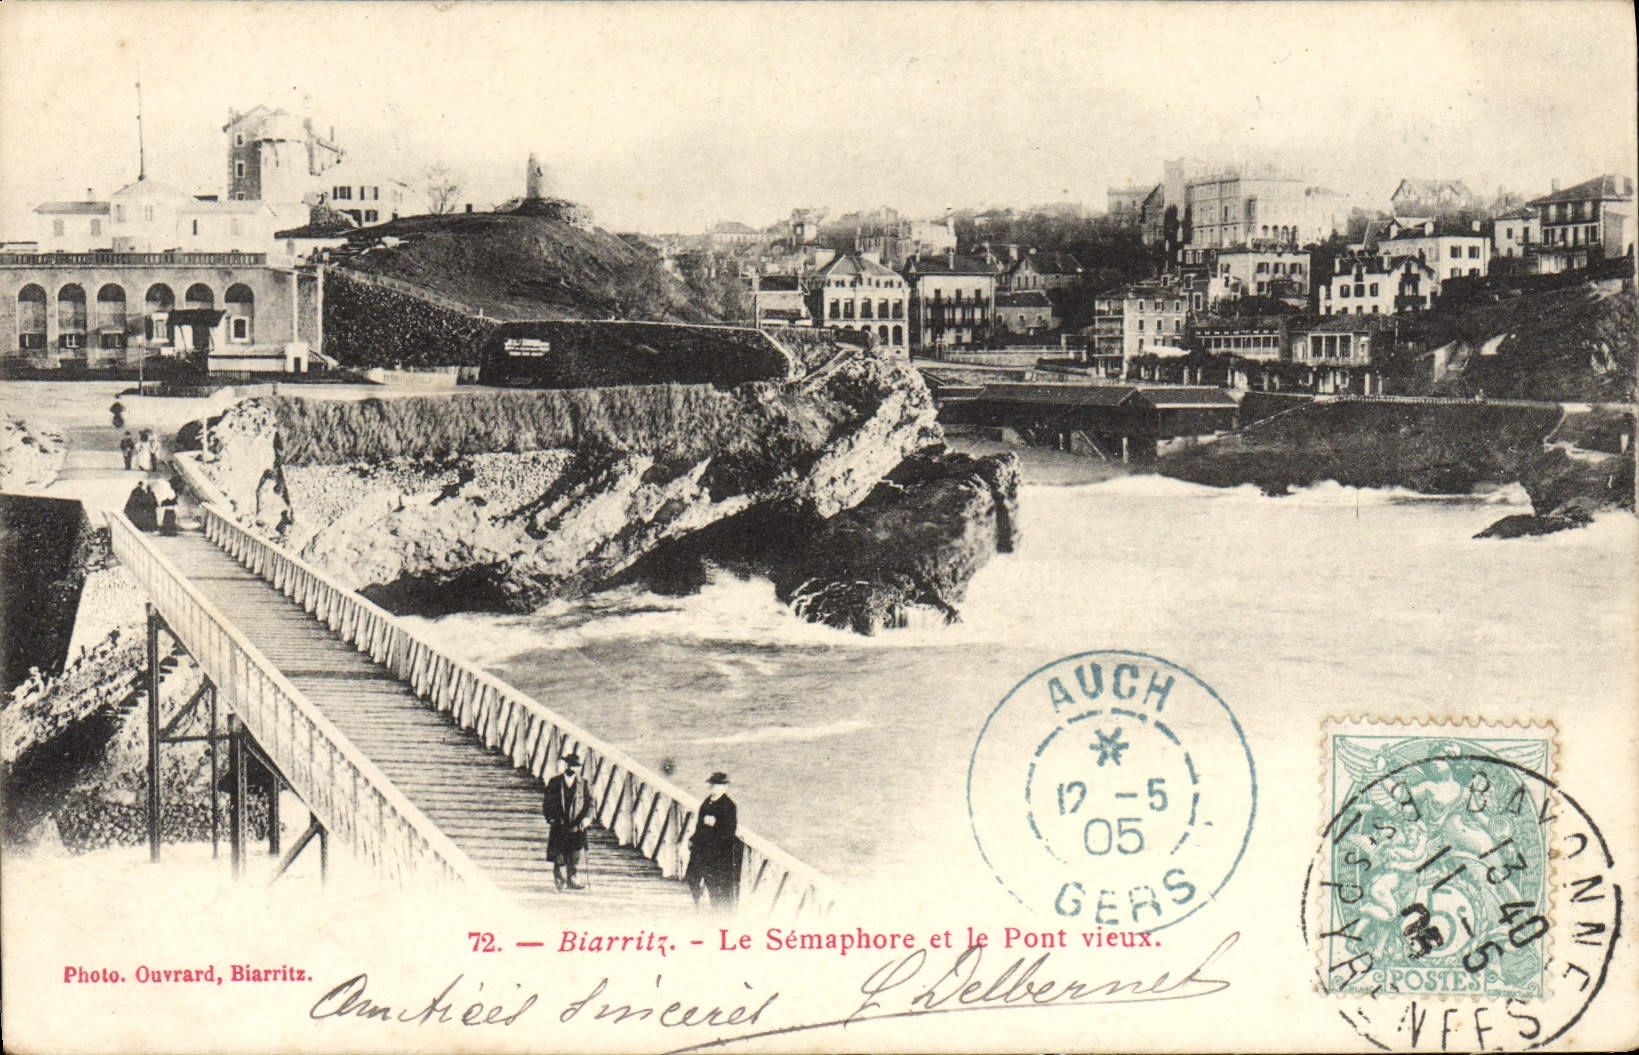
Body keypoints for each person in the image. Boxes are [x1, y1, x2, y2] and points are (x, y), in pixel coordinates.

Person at [685, 772, 740, 910]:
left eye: (719, 785)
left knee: (715, 885)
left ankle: (718, 915)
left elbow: (729, 831)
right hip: (700, 848)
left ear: (725, 787)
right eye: (713, 784)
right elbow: (699, 825)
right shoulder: (707, 802)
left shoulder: (728, 805)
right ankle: (696, 905)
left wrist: (715, 825)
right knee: (692, 876)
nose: (714, 788)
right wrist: (693, 838)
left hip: (716, 853)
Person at [542, 754, 591, 891]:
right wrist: (550, 817)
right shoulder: (555, 782)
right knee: (559, 852)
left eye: (575, 766)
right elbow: (547, 802)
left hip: (577, 823)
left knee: (575, 851)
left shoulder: (583, 784)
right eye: (570, 765)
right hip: (559, 823)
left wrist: (587, 818)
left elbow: (589, 803)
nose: (573, 768)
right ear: (566, 766)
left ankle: (572, 877)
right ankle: (559, 878)